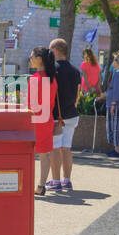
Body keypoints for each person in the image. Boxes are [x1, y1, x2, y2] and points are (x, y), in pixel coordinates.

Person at [47, 39, 81, 192]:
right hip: (72, 115)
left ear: (56, 50)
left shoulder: (52, 69)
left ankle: (55, 181)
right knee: (66, 148)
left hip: (56, 116)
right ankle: (67, 180)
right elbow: (78, 94)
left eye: (50, 49)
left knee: (55, 148)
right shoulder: (75, 70)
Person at [28, 47, 61, 196]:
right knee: (45, 155)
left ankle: (30, 185)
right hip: (47, 119)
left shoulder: (35, 79)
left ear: (39, 59)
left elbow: (31, 105)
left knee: (29, 154)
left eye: (32, 56)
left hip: (35, 120)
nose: (30, 58)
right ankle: (41, 185)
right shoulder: (52, 79)